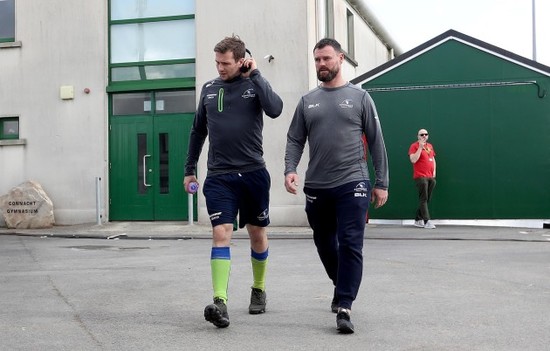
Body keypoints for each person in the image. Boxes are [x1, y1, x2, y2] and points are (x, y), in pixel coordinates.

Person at [284, 38, 389, 334]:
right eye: (317, 59)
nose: (321, 64)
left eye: (326, 59)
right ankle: (340, 281)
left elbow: (377, 140)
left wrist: (381, 182)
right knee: (324, 241)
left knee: (351, 241)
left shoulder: (360, 97)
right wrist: (290, 169)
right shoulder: (307, 101)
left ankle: (344, 305)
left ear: (340, 59)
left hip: (353, 181)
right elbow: (295, 139)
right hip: (317, 184)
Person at [184, 35, 283, 328]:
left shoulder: (254, 83)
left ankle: (259, 288)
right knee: (221, 232)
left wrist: (257, 74)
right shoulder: (209, 89)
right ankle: (220, 302)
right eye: (217, 62)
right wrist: (190, 168)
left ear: (241, 60)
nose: (220, 68)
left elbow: (275, 109)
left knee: (257, 233)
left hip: (253, 172)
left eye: (225, 63)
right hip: (219, 176)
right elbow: (197, 131)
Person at [408, 129, 437, 229]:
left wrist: (434, 172)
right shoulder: (414, 146)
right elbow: (413, 160)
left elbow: (433, 159)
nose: (424, 136)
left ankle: (417, 219)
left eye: (426, 134)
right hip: (421, 177)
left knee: (426, 199)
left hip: (430, 176)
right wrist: (420, 148)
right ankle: (427, 221)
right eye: (422, 134)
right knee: (424, 199)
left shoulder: (430, 146)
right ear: (418, 136)